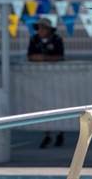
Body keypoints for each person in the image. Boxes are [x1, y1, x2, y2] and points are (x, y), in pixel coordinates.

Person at [27, 17, 65, 148]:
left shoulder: (57, 39)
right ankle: (47, 134)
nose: (40, 30)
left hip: (56, 78)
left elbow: (60, 56)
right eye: (39, 27)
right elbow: (30, 56)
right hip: (40, 79)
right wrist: (42, 58)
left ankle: (60, 132)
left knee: (58, 104)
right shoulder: (34, 39)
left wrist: (45, 58)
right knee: (43, 105)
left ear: (49, 29)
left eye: (43, 27)